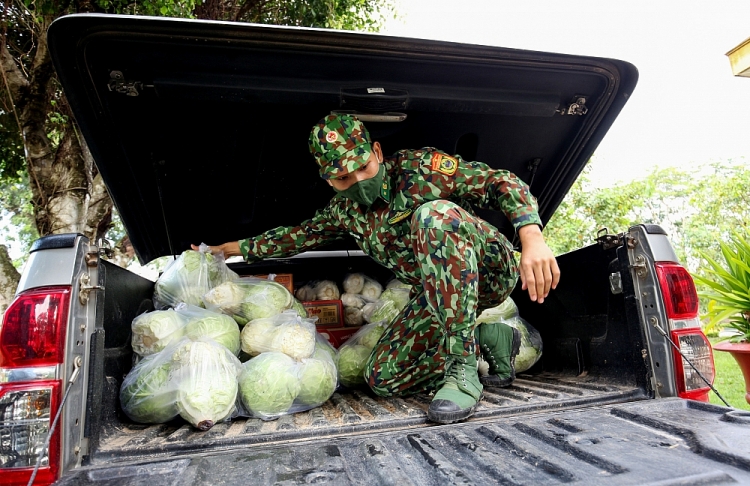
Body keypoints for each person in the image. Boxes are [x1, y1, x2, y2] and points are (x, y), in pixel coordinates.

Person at [194, 113, 560, 424]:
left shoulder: (420, 170)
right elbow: (295, 237)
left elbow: (497, 182)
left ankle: (463, 370)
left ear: (377, 152)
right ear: (327, 180)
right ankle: (488, 341)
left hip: (486, 270)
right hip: (439, 297)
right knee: (383, 377)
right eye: (342, 179)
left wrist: (531, 236)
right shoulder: (345, 213)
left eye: (363, 167)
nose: (358, 183)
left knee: (434, 215)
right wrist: (228, 249)